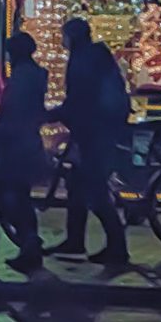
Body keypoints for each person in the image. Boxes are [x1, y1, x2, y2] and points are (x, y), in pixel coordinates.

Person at [47, 16, 130, 266]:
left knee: (95, 189)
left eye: (64, 35)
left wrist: (51, 115)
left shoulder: (82, 60)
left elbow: (79, 99)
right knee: (77, 185)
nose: (62, 41)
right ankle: (75, 240)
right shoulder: (96, 56)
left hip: (95, 132)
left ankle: (117, 248)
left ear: (72, 36)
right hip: (98, 129)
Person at [0, 31, 49, 273]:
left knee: (4, 195)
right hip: (25, 143)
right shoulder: (34, 75)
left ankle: (29, 242)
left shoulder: (22, 78)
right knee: (19, 196)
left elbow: (14, 114)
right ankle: (30, 243)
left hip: (14, 146)